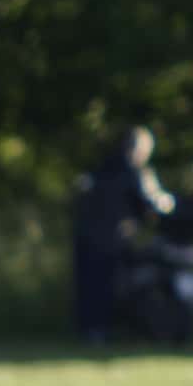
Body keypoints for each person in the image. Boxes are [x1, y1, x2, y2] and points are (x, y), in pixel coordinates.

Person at [72, 125, 173, 343]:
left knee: (90, 287)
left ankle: (92, 332)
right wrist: (167, 206)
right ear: (139, 148)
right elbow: (152, 204)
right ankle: (118, 329)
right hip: (113, 240)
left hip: (86, 237)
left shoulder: (101, 168)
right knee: (112, 286)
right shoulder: (136, 172)